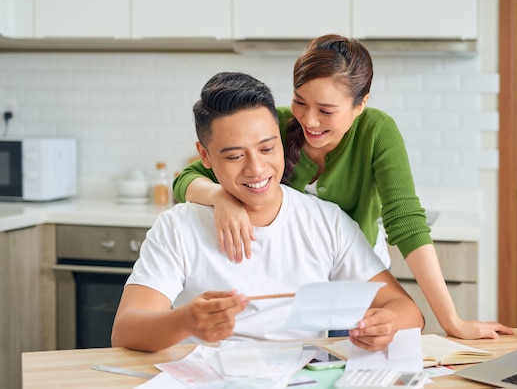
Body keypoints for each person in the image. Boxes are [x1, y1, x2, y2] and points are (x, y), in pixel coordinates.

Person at [173, 34, 514, 341]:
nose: (308, 120)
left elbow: (406, 221)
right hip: (295, 282)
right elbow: (187, 178)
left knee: (350, 357)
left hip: (358, 278)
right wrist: (220, 198)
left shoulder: (377, 131)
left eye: (326, 110)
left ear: (360, 104)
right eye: (300, 102)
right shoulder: (273, 126)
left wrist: (451, 321)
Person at [111, 72, 423, 353]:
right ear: (204, 155)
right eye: (234, 156)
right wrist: (184, 322)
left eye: (267, 148)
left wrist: (388, 324)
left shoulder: (326, 222)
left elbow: (408, 311)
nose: (257, 169)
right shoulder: (178, 227)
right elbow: (125, 331)